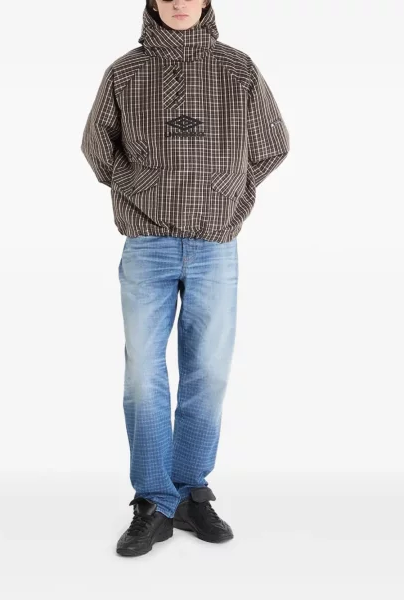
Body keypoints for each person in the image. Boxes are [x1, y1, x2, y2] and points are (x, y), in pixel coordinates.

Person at [81, 0, 290, 557]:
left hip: (215, 246)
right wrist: (141, 185)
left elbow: (273, 144)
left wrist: (228, 191)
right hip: (147, 244)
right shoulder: (125, 71)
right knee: (143, 375)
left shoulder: (238, 69)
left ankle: (191, 491)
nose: (178, 2)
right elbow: (97, 147)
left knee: (209, 373)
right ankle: (153, 501)